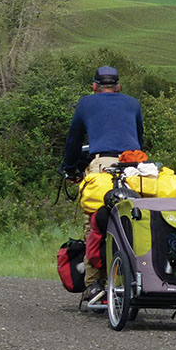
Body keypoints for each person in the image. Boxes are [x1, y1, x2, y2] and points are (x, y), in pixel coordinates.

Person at [62, 65, 144, 303]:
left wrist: (69, 168)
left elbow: (73, 141)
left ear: (94, 87)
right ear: (118, 87)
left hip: (103, 166)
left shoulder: (86, 103)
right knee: (135, 219)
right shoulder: (133, 103)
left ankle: (93, 285)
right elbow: (139, 139)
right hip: (134, 166)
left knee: (94, 220)